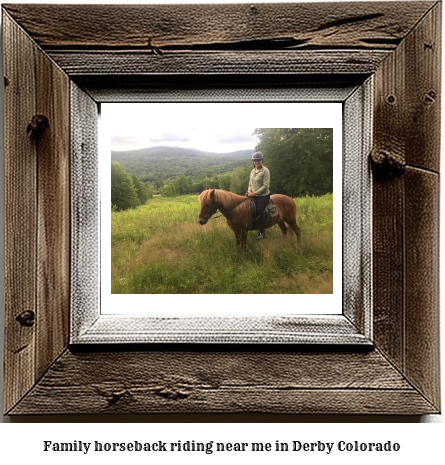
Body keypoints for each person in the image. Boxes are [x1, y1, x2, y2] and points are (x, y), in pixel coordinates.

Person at [246, 151, 270, 240]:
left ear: (261, 160)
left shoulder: (265, 171)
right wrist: (249, 193)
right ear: (253, 161)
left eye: (258, 160)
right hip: (252, 194)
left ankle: (262, 232)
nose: (257, 162)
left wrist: (255, 193)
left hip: (263, 195)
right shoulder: (252, 171)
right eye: (255, 160)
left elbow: (265, 186)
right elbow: (250, 184)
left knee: (259, 211)